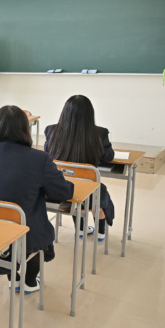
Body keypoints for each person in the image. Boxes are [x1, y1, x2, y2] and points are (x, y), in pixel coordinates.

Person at [0, 105, 74, 291]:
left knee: (11, 213)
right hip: (24, 236)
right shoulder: (39, 159)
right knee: (33, 222)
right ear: (26, 129)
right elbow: (62, 193)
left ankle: (14, 277)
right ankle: (28, 281)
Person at [44, 95, 115, 241]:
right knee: (99, 192)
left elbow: (47, 154)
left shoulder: (51, 131)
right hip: (89, 193)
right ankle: (100, 232)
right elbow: (108, 157)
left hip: (60, 188)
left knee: (74, 187)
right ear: (90, 114)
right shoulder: (100, 133)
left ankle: (81, 230)